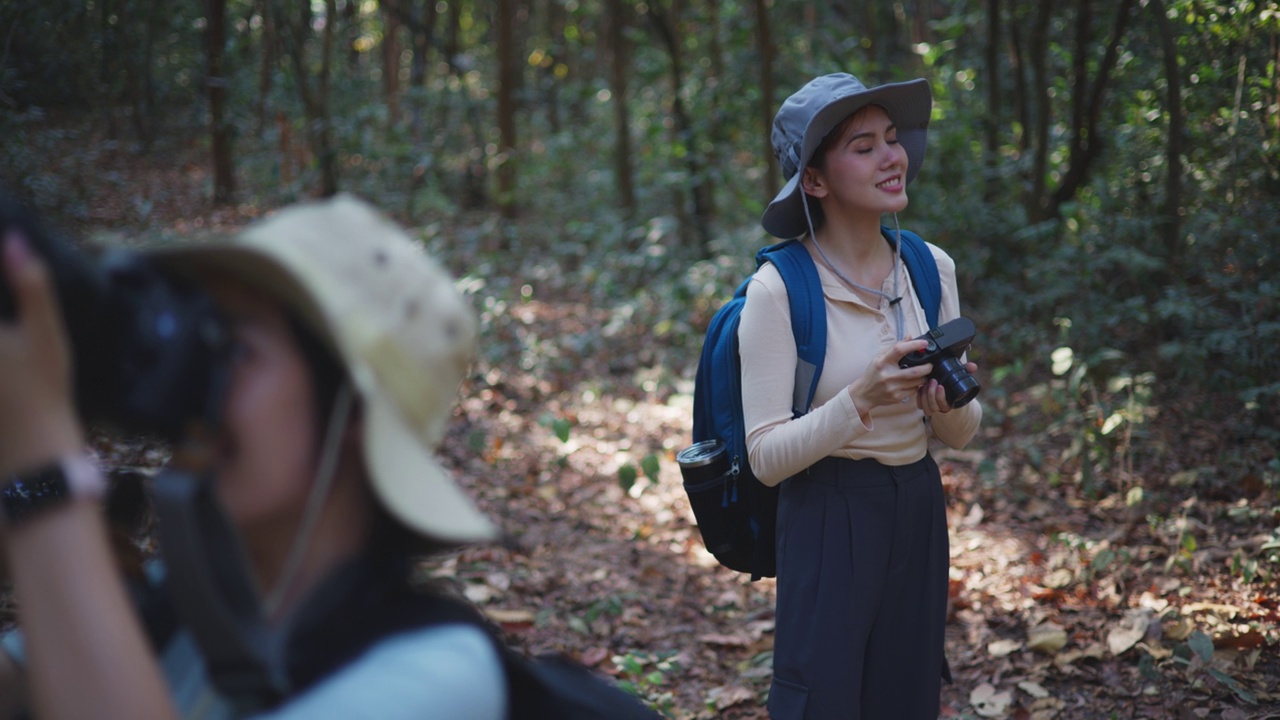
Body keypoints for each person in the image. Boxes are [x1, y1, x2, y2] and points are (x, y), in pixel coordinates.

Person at [0, 195, 509, 718]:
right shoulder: (179, 604)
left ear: (351, 414)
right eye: (201, 337)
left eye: (236, 348)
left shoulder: (437, 678)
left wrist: (43, 475)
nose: (200, 385)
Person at [740, 73, 983, 719]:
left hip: (918, 505)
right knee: (821, 701)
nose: (892, 157)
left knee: (906, 697)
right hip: (827, 511)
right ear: (813, 180)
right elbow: (765, 457)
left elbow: (961, 434)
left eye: (893, 140)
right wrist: (861, 397)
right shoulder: (778, 291)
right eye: (864, 145)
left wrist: (945, 404)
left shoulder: (930, 268)